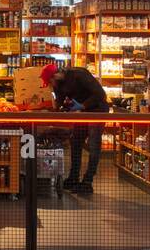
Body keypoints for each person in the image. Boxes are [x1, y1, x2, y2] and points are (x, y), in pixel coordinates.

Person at [40, 61, 111, 192]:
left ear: (55, 76)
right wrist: (55, 108)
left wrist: (83, 106)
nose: (50, 86)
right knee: (76, 142)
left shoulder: (79, 74)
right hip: (82, 113)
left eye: (50, 83)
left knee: (94, 145)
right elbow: (60, 103)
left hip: (97, 110)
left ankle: (88, 181)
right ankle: (73, 178)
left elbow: (100, 94)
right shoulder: (58, 85)